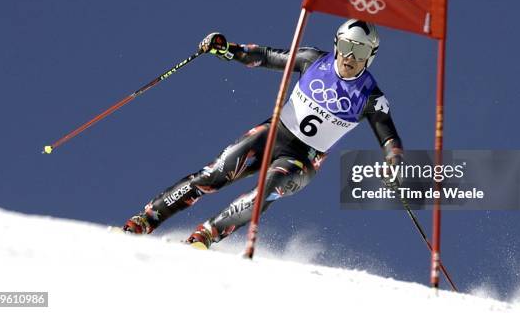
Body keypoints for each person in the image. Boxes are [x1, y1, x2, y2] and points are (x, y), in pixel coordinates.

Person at [122, 19, 404, 249]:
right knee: (213, 176)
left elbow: (389, 137)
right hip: (272, 134)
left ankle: (205, 236)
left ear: (371, 57)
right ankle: (146, 219)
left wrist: (394, 162)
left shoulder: (371, 97)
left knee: (266, 191)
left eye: (361, 51)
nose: (351, 57)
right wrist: (227, 49)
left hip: (303, 160)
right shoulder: (313, 60)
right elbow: (266, 56)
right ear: (336, 44)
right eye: (346, 46)